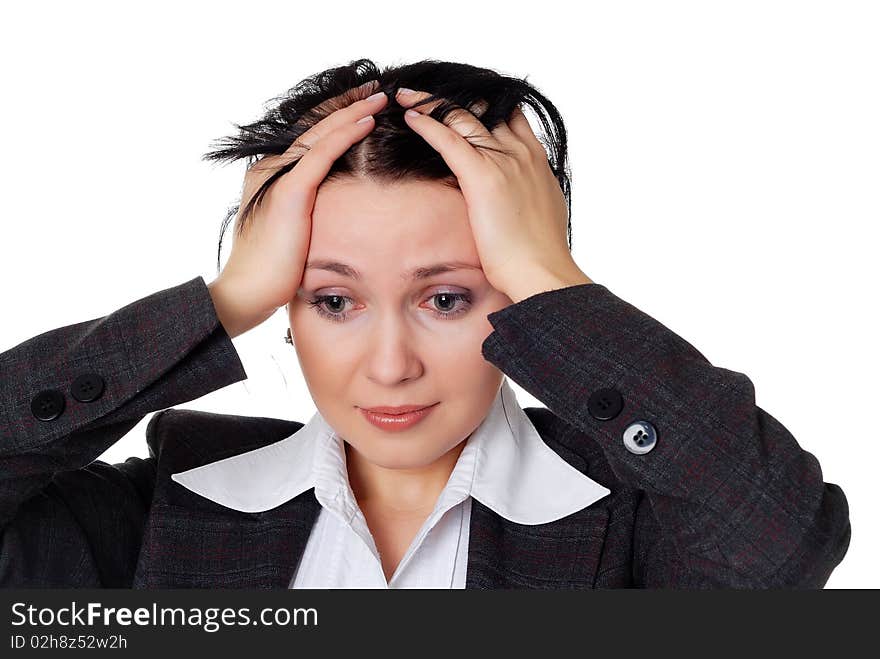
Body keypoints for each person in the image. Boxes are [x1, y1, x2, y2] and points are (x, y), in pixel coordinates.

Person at [0, 59, 850, 589]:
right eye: (334, 300)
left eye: (447, 297)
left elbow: (780, 545)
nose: (390, 365)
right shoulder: (162, 517)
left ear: (519, 305)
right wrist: (223, 300)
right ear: (286, 310)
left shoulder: (632, 519)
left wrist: (549, 275)